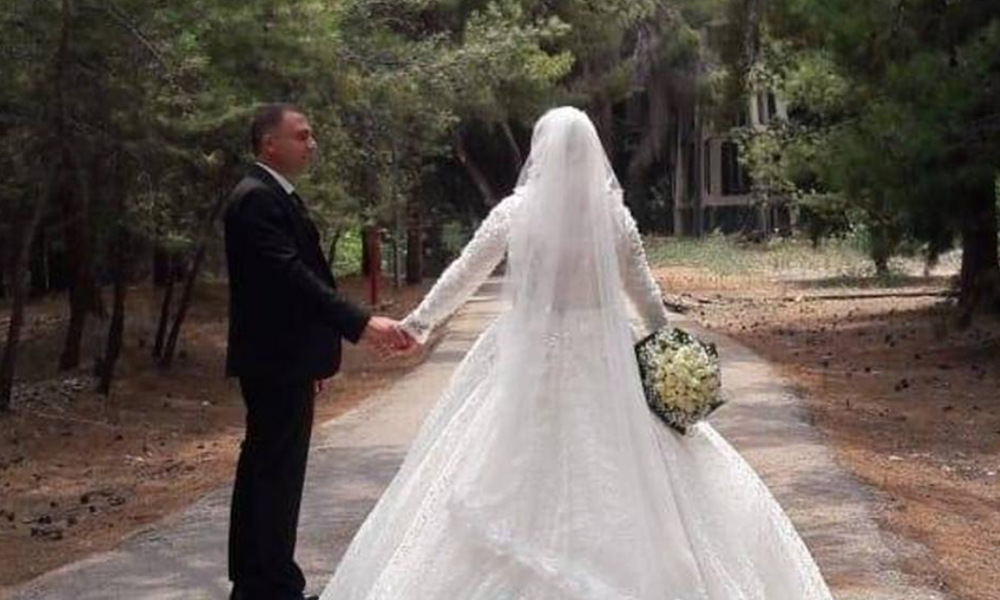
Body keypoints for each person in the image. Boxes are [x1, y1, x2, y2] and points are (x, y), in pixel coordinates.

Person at [318, 106, 837, 600]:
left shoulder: (516, 213)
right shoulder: (613, 218)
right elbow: (646, 296)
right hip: (606, 362)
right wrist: (670, 353)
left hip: (525, 360)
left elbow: (465, 272)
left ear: (539, 151)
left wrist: (419, 324)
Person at [223, 103, 413, 600]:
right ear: (270, 144)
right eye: (302, 136)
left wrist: (314, 354)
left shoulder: (273, 195)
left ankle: (263, 583)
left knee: (272, 472)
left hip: (285, 358)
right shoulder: (257, 199)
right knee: (272, 474)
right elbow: (290, 278)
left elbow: (293, 285)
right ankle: (267, 587)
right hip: (273, 360)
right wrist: (360, 323)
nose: (312, 144)